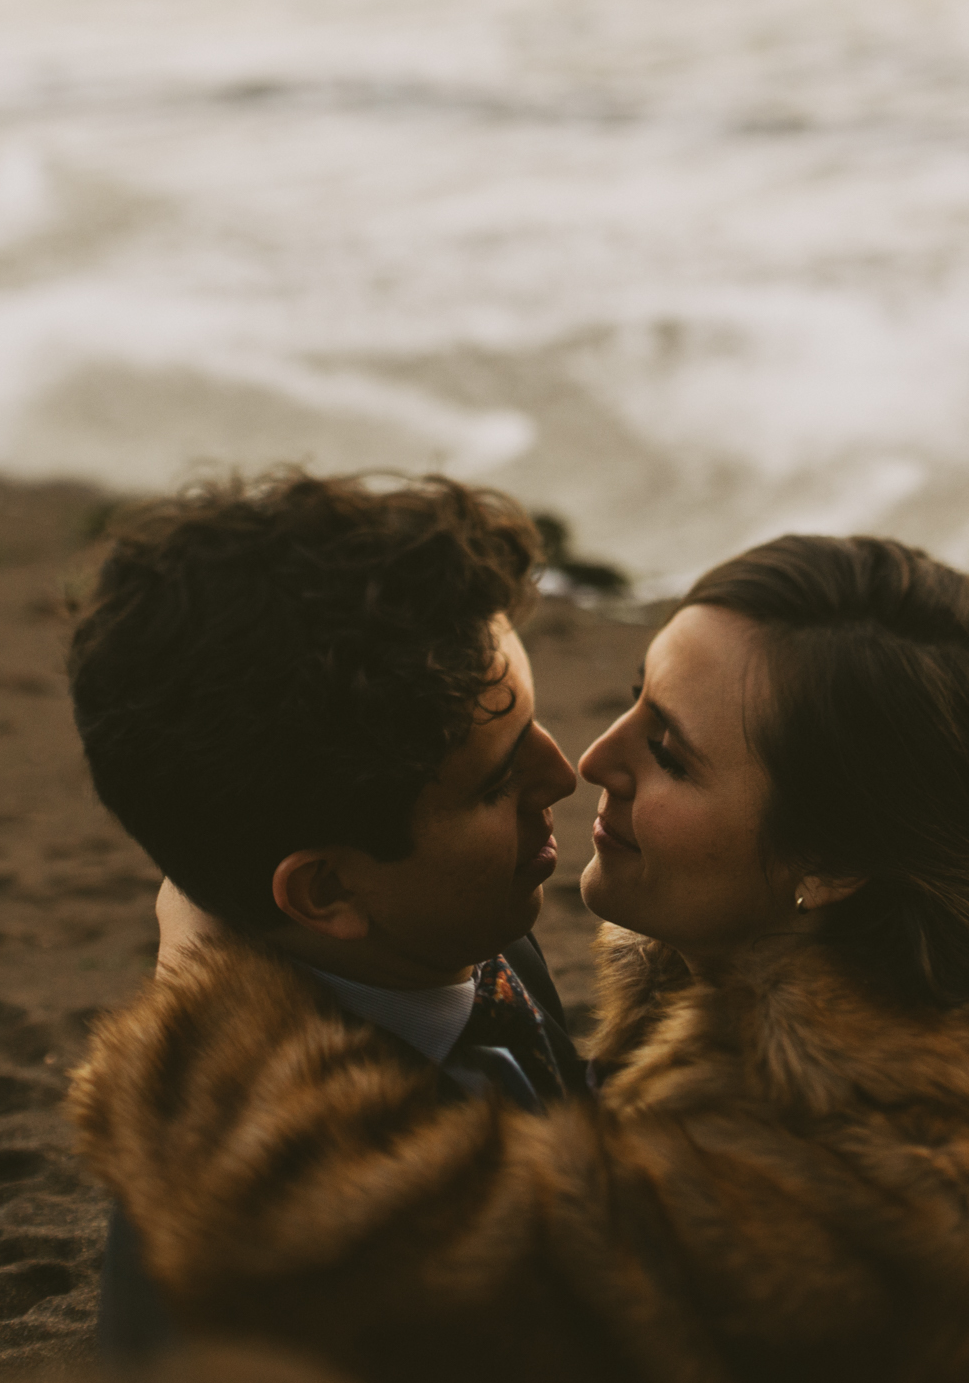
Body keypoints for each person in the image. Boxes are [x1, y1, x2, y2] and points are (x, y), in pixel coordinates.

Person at [71, 534, 969, 1383]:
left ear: (832, 862)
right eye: (641, 695)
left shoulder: (859, 1196)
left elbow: (400, 1251)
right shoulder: (838, 989)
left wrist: (201, 989)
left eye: (674, 749)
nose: (594, 758)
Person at [63, 471, 587, 1361]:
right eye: (498, 782)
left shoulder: (447, 930)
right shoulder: (278, 1267)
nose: (564, 775)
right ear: (327, 893)